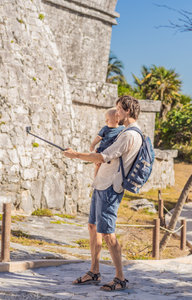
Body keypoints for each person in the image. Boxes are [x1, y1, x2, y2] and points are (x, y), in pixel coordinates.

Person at [63, 95, 142, 292]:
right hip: (101, 184)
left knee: (107, 232)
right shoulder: (124, 132)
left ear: (128, 112)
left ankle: (120, 277)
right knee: (93, 226)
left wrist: (76, 155)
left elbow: (102, 156)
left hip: (110, 188)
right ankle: (94, 271)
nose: (115, 113)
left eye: (119, 109)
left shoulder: (130, 135)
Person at [89, 107, 124, 178]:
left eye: (108, 120)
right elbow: (99, 137)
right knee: (97, 165)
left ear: (117, 120)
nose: (106, 121)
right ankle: (95, 178)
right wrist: (93, 144)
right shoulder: (105, 128)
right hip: (102, 150)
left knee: (109, 167)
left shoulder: (122, 129)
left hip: (111, 152)